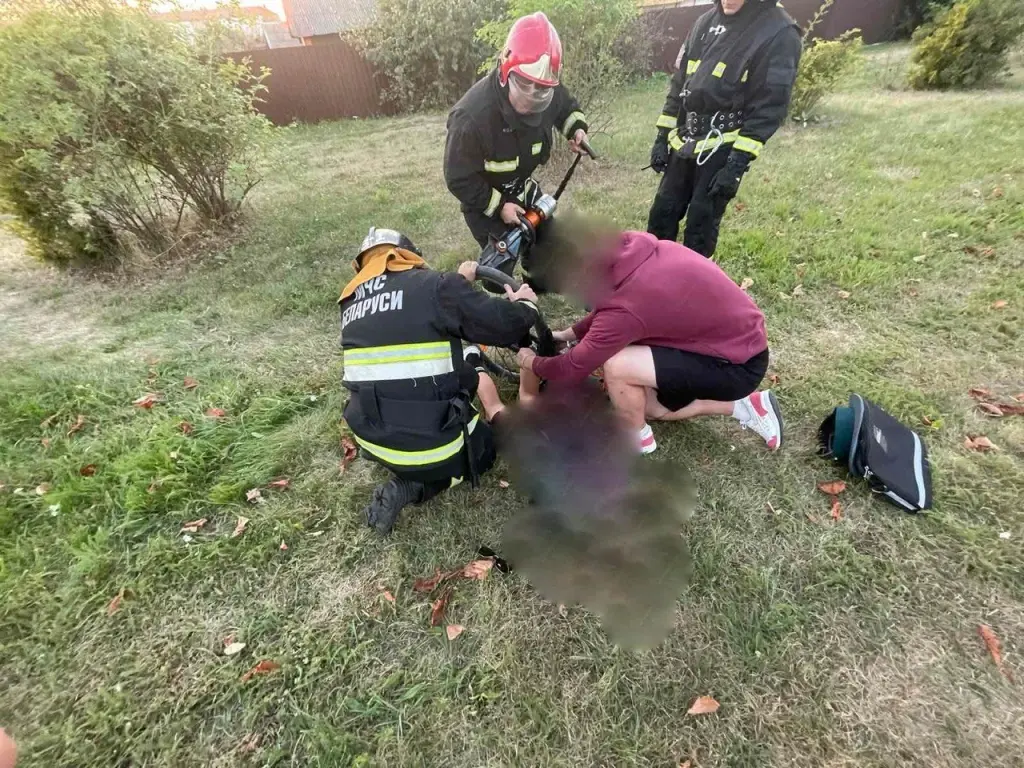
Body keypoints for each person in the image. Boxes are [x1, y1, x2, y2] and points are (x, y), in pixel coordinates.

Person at [340, 228, 538, 535]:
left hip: (371, 437)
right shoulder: (435, 286)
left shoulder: (350, 302)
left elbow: (408, 318)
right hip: (426, 446)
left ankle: (411, 466)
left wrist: (457, 286)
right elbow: (504, 324)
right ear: (409, 257)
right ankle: (416, 485)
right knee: (484, 449)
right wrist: (526, 306)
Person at [515, 227, 782, 455]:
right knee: (644, 403)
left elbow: (574, 366)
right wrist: (569, 335)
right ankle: (747, 406)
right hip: (737, 342)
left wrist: (531, 362)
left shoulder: (625, 310)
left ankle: (637, 437)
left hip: (735, 366)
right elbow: (610, 310)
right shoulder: (626, 247)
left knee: (618, 366)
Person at [646, 0, 802, 257]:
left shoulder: (779, 31)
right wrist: (662, 136)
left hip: (723, 147)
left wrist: (736, 166)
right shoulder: (704, 22)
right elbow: (680, 83)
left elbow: (770, 107)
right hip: (684, 140)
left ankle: (694, 289)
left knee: (700, 224)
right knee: (662, 213)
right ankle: (653, 280)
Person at [444, 12, 590, 254]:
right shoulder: (470, 118)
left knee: (545, 242)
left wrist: (577, 129)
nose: (533, 95)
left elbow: (565, 106)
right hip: (485, 199)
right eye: (523, 84)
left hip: (521, 186)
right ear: (505, 69)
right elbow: (458, 178)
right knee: (501, 260)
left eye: (542, 89)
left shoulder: (545, 86)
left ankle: (538, 284)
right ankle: (504, 283)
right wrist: (500, 206)